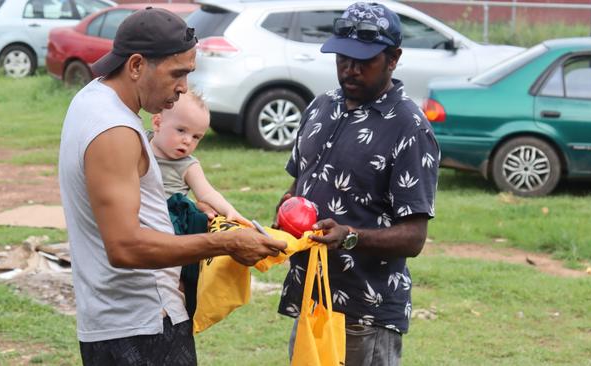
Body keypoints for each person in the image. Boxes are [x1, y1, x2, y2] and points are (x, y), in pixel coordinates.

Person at [58, 7, 286, 365]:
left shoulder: (90, 99)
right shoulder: (115, 131)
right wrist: (225, 243)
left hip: (113, 320)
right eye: (177, 74)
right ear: (135, 66)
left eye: (188, 74)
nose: (183, 88)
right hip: (143, 324)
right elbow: (125, 247)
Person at [274, 3, 440, 365]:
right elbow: (297, 187)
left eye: (363, 60)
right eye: (342, 58)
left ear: (393, 58)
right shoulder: (321, 107)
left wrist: (350, 236)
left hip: (364, 313)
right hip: (313, 301)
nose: (349, 69)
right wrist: (284, 214)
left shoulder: (409, 128)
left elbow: (414, 237)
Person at [149, 91, 251, 319]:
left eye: (196, 137)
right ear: (157, 122)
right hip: (141, 216)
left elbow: (206, 192)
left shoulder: (187, 165)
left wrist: (229, 211)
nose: (188, 141)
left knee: (171, 262)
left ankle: (172, 298)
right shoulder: (139, 146)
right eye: (181, 130)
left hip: (170, 223)